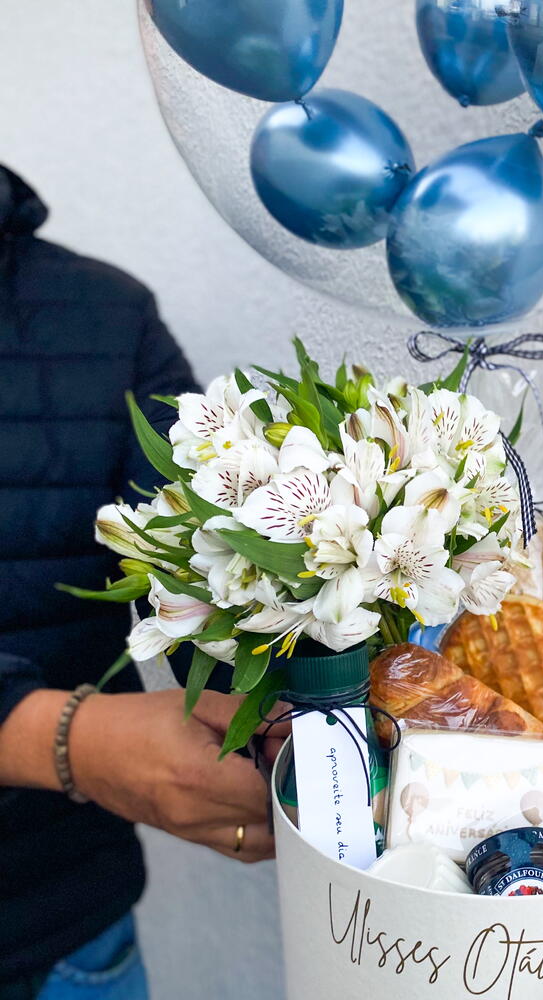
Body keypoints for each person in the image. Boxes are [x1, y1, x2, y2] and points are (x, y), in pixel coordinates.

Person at [0, 165, 281, 1000]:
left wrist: (293, 702)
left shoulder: (105, 316)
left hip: (62, 933)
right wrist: (70, 741)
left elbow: (215, 568)